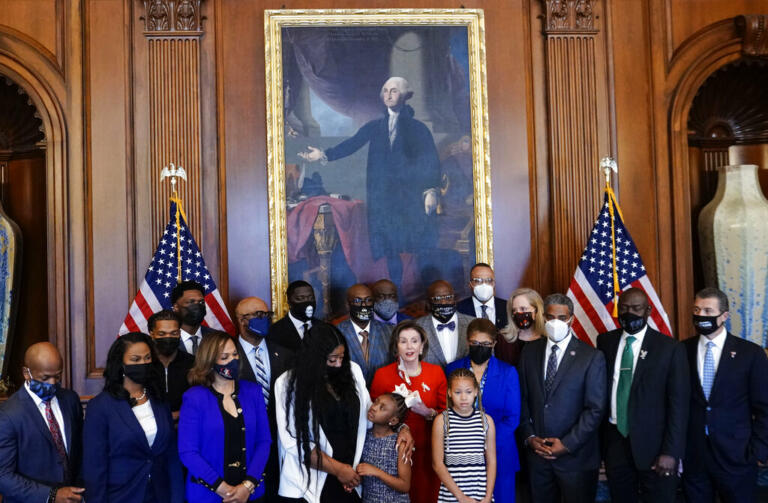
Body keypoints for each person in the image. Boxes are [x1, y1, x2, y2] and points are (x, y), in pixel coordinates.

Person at [298, 77, 441, 288]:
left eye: (394, 91)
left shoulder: (419, 129)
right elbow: (352, 144)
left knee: (413, 246)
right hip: (383, 199)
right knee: (390, 248)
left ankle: (420, 290)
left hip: (410, 199)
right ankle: (397, 293)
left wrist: (430, 191)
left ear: (405, 96)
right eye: (385, 91)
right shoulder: (375, 127)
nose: (389, 94)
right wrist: (323, 154)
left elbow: (431, 161)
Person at [275, 323, 414, 503]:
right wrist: (339, 470)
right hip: (309, 483)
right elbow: (293, 442)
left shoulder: (352, 371)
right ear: (314, 358)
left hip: (350, 478)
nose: (338, 364)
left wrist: (402, 427)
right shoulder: (287, 384)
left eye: (342, 357)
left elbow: (371, 414)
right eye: (332, 360)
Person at [596, 287, 689, 503]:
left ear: (648, 311)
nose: (630, 313)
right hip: (615, 441)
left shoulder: (669, 348)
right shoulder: (605, 342)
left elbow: (679, 405)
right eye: (625, 308)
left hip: (656, 447)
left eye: (636, 308)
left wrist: (671, 451)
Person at [518, 293, 606, 503]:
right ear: (543, 318)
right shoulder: (529, 352)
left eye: (562, 317)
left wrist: (566, 444)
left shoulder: (591, 356)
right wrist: (529, 438)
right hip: (538, 457)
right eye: (550, 317)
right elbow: (521, 399)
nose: (555, 322)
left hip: (576, 459)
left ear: (571, 319)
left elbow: (595, 409)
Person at [682, 287, 768, 503]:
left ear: (724, 316)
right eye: (697, 309)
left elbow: (764, 406)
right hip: (694, 456)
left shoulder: (750, 353)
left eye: (708, 311)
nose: (701, 316)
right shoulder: (681, 351)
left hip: (737, 456)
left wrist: (757, 451)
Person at [82, 332, 183, 502]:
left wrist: (177, 498)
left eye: (147, 358)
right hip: (121, 496)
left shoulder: (159, 399)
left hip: (160, 495)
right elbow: (94, 468)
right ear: (121, 364)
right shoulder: (100, 407)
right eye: (135, 360)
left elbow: (171, 455)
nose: (143, 363)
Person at [178, 330, 272, 502]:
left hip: (251, 494)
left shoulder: (253, 391)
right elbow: (188, 452)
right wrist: (224, 489)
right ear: (209, 361)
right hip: (208, 495)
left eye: (235, 354)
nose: (232, 361)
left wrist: (247, 486)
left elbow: (264, 441)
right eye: (224, 357)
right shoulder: (194, 397)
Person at [371, 320, 447, 502]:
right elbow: (373, 416)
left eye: (414, 340)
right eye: (403, 341)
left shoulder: (436, 373)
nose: (409, 346)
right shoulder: (382, 375)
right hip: (395, 453)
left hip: (429, 450)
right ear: (396, 347)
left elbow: (447, 415)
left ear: (422, 346)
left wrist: (427, 412)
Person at [445, 318, 520, 503]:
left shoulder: (508, 372)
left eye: (486, 344)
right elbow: (446, 409)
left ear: (494, 344)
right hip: (461, 452)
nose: (480, 347)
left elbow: (512, 418)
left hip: (500, 451)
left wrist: (485, 442)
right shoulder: (452, 369)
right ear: (467, 341)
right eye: (475, 343)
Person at [0, 342, 84, 503]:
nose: (53, 383)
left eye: (57, 376)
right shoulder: (8, 415)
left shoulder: (70, 399)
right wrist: (51, 495)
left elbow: (79, 452)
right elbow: (3, 475)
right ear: (27, 373)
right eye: (45, 378)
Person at [233, 296, 295, 502]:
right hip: (244, 444)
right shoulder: (227, 354)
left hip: (280, 445)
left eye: (267, 315)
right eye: (259, 315)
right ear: (242, 320)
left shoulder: (285, 354)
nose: (266, 319)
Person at [432, 368, 497, 503]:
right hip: (452, 497)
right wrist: (461, 497)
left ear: (475, 392)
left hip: (480, 496)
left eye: (468, 392)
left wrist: (488, 496)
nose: (463, 397)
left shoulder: (486, 421)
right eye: (457, 392)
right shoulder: (441, 421)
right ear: (449, 392)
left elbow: (491, 461)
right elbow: (437, 464)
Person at [357, 393, 412, 503]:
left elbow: (405, 485)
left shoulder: (399, 443)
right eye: (376, 401)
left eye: (382, 408)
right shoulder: (363, 437)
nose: (374, 407)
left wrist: (377, 472)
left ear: (393, 420)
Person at [337, 283, 393, 385]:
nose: (364, 305)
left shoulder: (389, 331)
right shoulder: (337, 333)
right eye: (357, 301)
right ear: (347, 305)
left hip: (384, 394)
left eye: (368, 300)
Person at [148, 309, 194, 419]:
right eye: (162, 333)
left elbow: (200, 401)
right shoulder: (144, 364)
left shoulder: (193, 363)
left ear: (179, 333)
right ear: (152, 334)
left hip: (185, 424)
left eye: (174, 333)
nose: (168, 337)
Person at [416, 280, 473, 367]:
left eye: (448, 297)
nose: (443, 302)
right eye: (437, 299)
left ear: (455, 299)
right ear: (428, 303)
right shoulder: (417, 327)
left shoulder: (472, 324)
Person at [498, 288, 546, 366]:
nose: (518, 313)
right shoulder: (503, 340)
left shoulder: (547, 340)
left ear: (537, 311)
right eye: (514, 310)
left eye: (523, 309)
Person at [269, 280, 319, 351]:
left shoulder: (325, 329)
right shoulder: (274, 332)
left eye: (311, 298)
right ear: (289, 303)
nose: (307, 302)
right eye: (301, 298)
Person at [456, 263, 508, 330]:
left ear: (494, 284)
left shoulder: (507, 307)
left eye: (489, 280)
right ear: (470, 284)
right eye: (478, 281)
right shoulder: (459, 309)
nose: (484, 285)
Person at [172, 280, 216, 355]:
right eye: (191, 302)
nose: (197, 306)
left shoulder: (216, 337)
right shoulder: (167, 339)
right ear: (176, 307)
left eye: (201, 302)